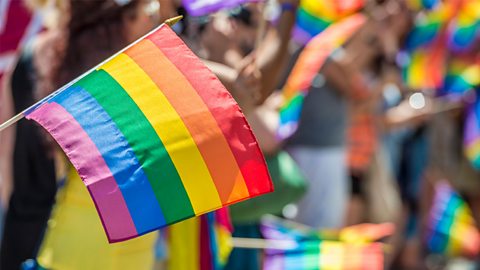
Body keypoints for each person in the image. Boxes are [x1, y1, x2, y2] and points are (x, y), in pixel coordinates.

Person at [0, 1, 162, 269]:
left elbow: (7, 166)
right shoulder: (122, 75)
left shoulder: (33, 54)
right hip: (99, 245)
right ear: (118, 18)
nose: (150, 19)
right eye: (145, 12)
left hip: (29, 235)